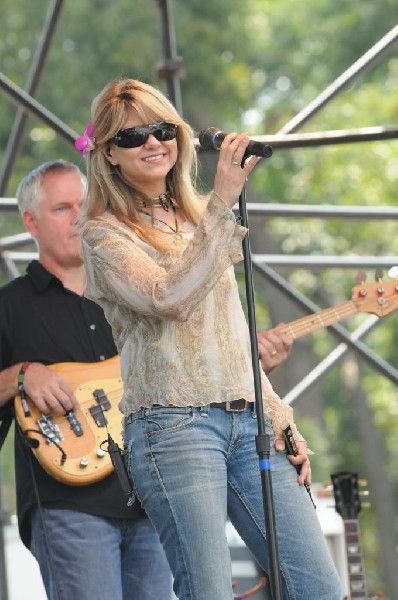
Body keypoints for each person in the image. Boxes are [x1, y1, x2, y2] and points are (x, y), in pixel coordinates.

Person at [78, 78, 342, 600]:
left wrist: (280, 415)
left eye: (161, 130)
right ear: (108, 153)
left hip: (250, 422)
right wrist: (223, 201)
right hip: (173, 427)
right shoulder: (104, 233)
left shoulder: (203, 215)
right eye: (132, 138)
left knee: (317, 586)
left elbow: (231, 331)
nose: (153, 144)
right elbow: (166, 297)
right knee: (208, 591)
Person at [0, 160, 173, 600]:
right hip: (67, 506)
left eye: (84, 205)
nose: (78, 216)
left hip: (152, 496)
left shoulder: (131, 295)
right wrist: (22, 374)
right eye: (62, 208)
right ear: (31, 222)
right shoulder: (9, 305)